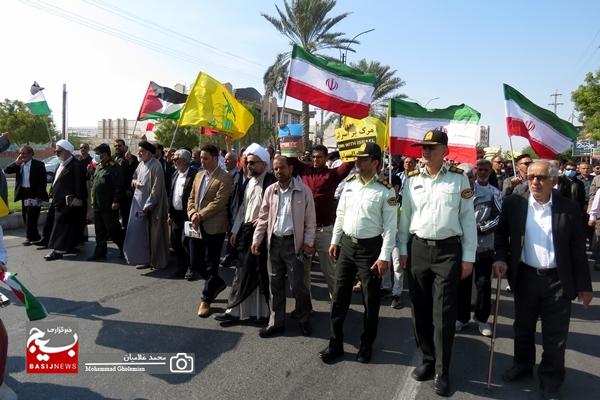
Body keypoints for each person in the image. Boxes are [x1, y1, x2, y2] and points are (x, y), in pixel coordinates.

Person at [493, 160, 593, 400]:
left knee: (555, 335)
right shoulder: (514, 204)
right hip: (525, 276)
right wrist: (501, 258)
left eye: (541, 177)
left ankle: (550, 380)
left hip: (558, 280)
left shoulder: (569, 208)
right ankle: (522, 365)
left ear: (554, 181)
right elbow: (500, 234)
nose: (535, 182)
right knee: (523, 328)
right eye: (531, 177)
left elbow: (578, 249)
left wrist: (584, 286)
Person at [397, 130, 477, 396]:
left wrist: (468, 257)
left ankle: (443, 371)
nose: (426, 151)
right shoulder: (412, 180)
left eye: (432, 147)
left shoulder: (459, 178)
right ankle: (428, 361)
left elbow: (467, 220)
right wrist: (402, 249)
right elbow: (405, 217)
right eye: (424, 147)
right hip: (418, 248)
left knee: (443, 313)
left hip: (448, 251)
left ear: (445, 150)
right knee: (419, 309)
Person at [319, 143, 397, 364]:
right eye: (357, 158)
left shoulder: (386, 189)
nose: (358, 162)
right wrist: (335, 240)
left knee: (370, 300)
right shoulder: (350, 184)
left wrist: (384, 256)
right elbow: (340, 214)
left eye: (363, 159)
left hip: (370, 249)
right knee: (339, 296)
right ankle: (335, 343)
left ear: (374, 162)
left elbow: (391, 227)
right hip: (347, 246)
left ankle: (366, 345)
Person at [251, 155, 315, 338]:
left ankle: (304, 319)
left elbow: (310, 222)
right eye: (276, 169)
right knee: (275, 285)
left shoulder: (304, 191)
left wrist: (308, 243)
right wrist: (257, 240)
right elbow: (263, 218)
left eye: (282, 168)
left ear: (291, 169)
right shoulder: (271, 191)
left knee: (297, 286)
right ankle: (276, 322)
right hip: (274, 244)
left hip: (294, 245)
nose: (279, 171)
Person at [215, 144, 275, 324]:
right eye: (247, 163)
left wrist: (264, 221)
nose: (249, 166)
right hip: (246, 232)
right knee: (241, 272)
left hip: (263, 235)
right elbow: (243, 208)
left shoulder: (271, 183)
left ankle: (263, 314)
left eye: (253, 163)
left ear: (264, 163)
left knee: (260, 273)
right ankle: (234, 311)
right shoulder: (249, 182)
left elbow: (277, 209)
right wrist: (235, 230)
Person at [287, 144, 354, 298]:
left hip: (324, 231)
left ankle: (337, 304)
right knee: (303, 272)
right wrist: (286, 134)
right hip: (304, 231)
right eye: (314, 156)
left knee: (330, 271)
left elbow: (349, 163)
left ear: (326, 158)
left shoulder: (333, 174)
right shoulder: (303, 170)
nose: (316, 159)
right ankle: (305, 306)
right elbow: (288, 154)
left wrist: (352, 141)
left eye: (319, 157)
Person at [455, 161, 501, 337]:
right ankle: (462, 318)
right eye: (464, 177)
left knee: (483, 284)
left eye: (471, 177)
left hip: (483, 248)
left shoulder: (489, 194)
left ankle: (482, 319)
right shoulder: (453, 196)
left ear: (475, 177)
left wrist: (479, 228)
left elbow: (498, 218)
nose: (468, 180)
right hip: (461, 249)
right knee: (462, 285)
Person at [187, 144, 233, 318]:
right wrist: (192, 214)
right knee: (196, 263)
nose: (202, 161)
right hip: (196, 225)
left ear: (215, 158)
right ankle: (218, 283)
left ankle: (206, 299)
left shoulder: (225, 178)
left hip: (214, 227)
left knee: (211, 263)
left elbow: (219, 203)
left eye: (206, 158)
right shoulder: (199, 175)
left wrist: (200, 215)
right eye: (201, 158)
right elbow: (191, 197)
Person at [123, 141, 169, 270]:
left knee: (154, 235)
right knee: (140, 234)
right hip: (138, 205)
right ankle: (144, 259)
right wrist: (135, 182)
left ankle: (157, 260)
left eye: (141, 151)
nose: (139, 153)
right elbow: (133, 178)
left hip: (152, 208)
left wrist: (148, 206)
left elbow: (157, 188)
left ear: (149, 153)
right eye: (139, 151)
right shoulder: (141, 164)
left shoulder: (156, 165)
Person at [44, 140, 86, 261]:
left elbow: (79, 184)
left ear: (67, 151)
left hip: (69, 202)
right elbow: (56, 181)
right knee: (65, 226)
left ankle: (57, 250)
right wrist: (51, 190)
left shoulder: (76, 165)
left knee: (60, 226)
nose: (56, 153)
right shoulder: (60, 164)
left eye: (59, 151)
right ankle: (69, 247)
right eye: (55, 151)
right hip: (58, 201)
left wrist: (77, 199)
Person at [3, 145, 48, 246]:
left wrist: (38, 196)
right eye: (20, 153)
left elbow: (42, 182)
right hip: (24, 193)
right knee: (25, 215)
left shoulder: (39, 164)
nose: (21, 155)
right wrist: (16, 162)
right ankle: (35, 236)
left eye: (23, 153)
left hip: (34, 193)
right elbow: (6, 171)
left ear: (31, 154)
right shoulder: (19, 164)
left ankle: (30, 237)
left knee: (32, 216)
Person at [88, 144, 124, 261]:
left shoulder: (114, 167)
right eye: (97, 154)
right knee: (99, 231)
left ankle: (124, 248)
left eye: (100, 154)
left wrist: (116, 201)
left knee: (113, 230)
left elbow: (118, 186)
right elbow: (97, 182)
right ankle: (100, 252)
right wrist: (91, 173)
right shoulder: (99, 166)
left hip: (109, 205)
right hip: (98, 204)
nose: (98, 156)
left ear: (106, 154)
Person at [167, 149, 197, 279]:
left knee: (188, 242)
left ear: (185, 160)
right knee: (176, 242)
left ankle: (192, 268)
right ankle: (181, 267)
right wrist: (169, 213)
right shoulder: (175, 174)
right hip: (175, 215)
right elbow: (171, 194)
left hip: (188, 215)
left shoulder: (195, 175)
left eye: (176, 159)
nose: (174, 161)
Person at [222, 151, 244, 268]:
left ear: (235, 162)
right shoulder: (222, 173)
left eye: (228, 159)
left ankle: (231, 256)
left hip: (234, 209)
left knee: (233, 233)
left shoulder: (238, 176)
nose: (225, 161)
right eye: (225, 159)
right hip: (222, 209)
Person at [113, 139, 138, 232]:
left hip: (126, 193)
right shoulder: (113, 158)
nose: (117, 147)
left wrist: (130, 162)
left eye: (119, 146)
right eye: (115, 146)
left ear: (124, 146)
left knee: (126, 217)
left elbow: (134, 175)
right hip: (115, 194)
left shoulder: (132, 158)